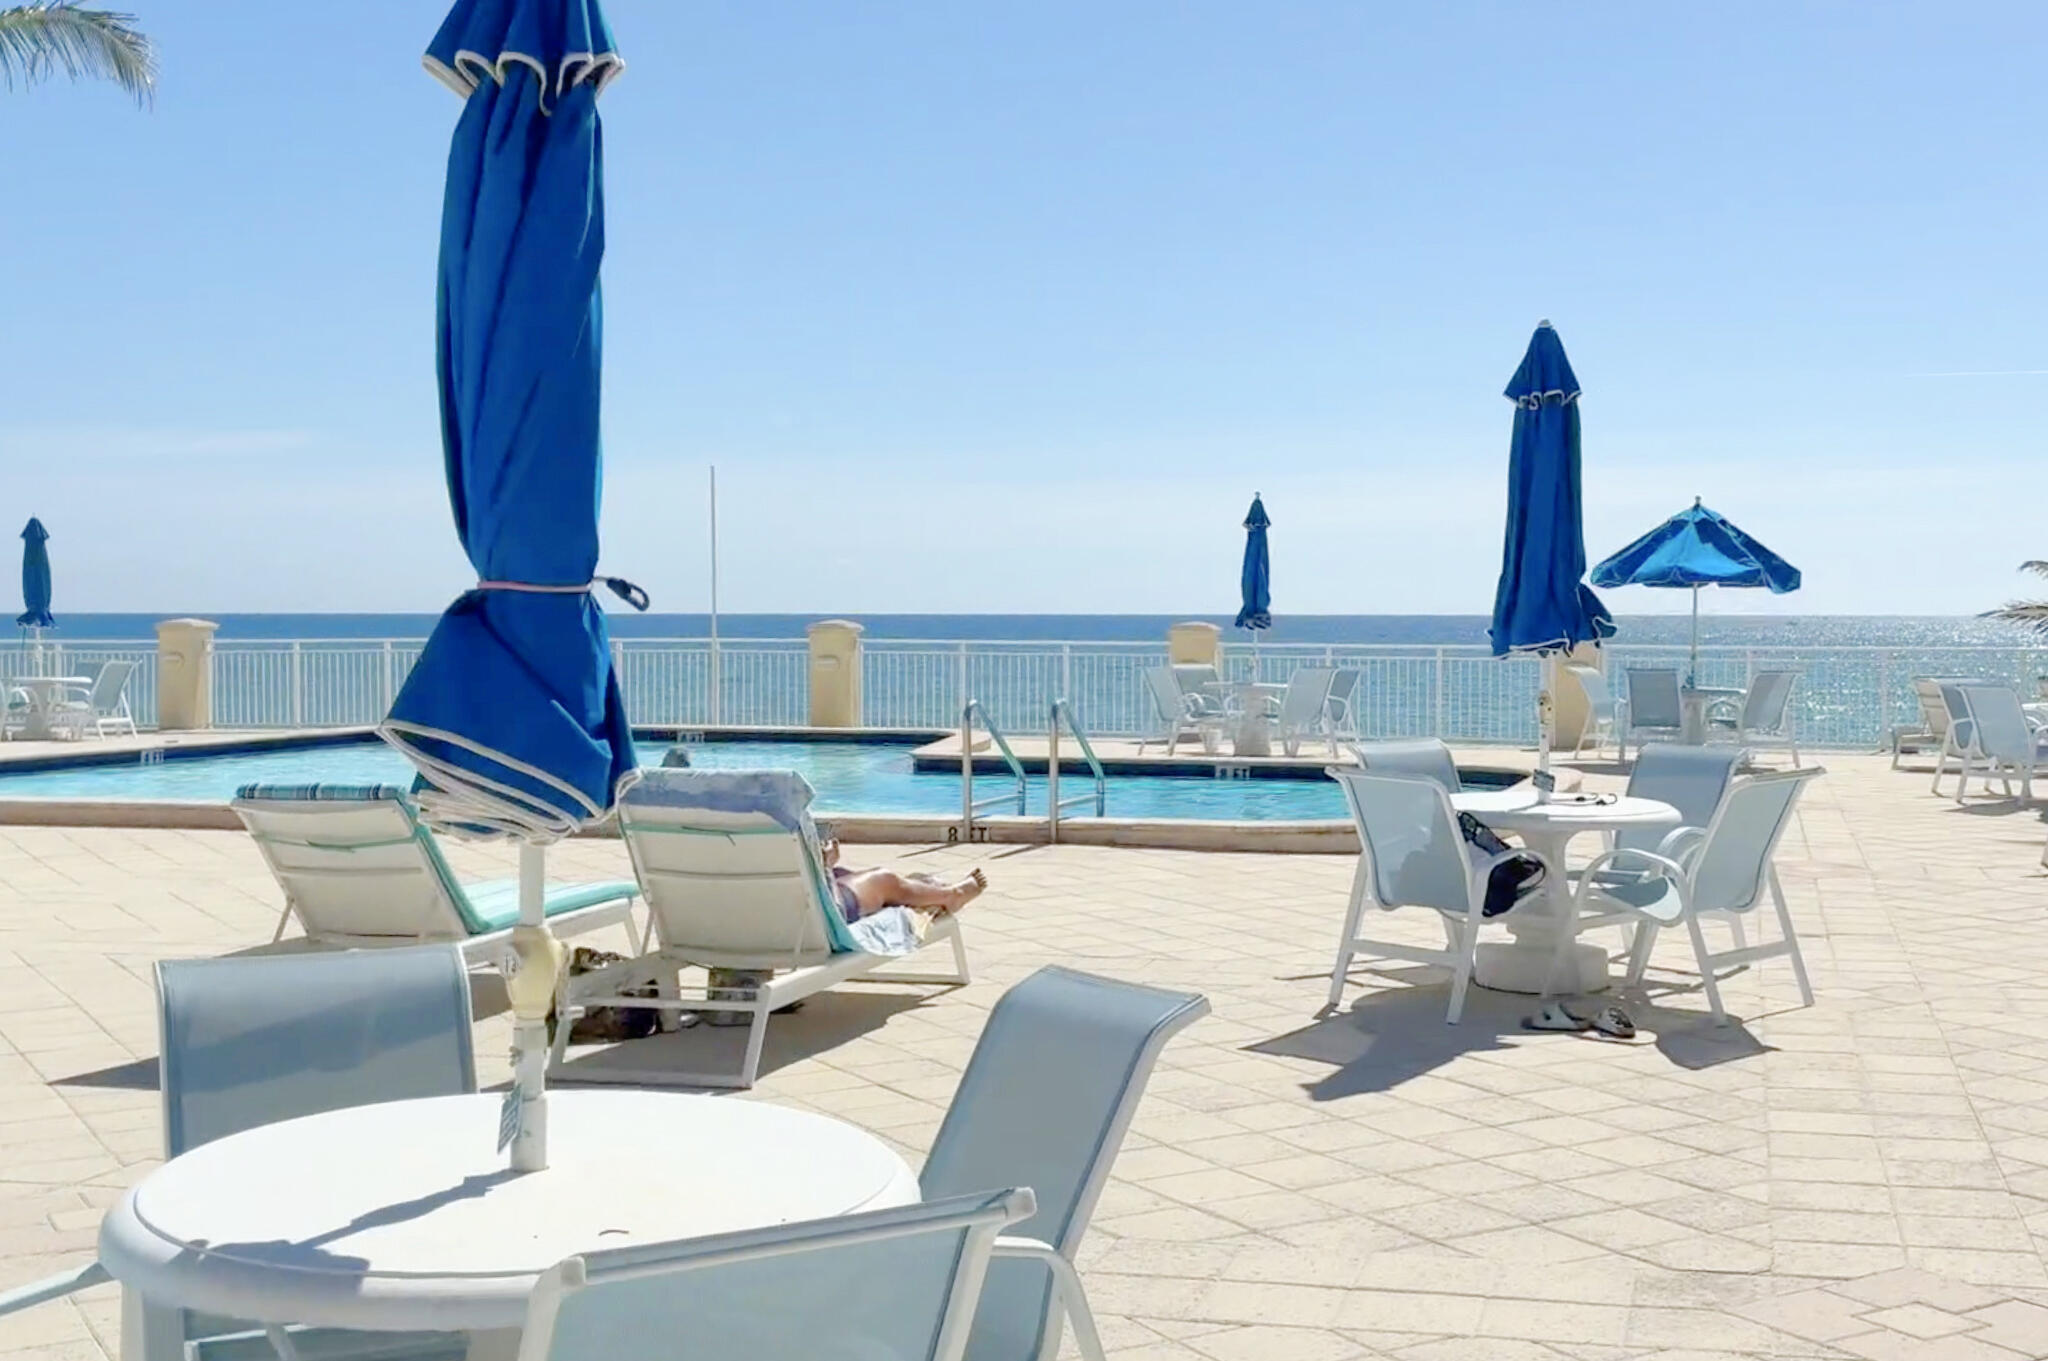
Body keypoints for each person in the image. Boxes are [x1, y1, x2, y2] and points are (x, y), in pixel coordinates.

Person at [818, 833, 985, 923]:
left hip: (812, 910)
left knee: (846, 874)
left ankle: (914, 888)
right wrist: (826, 865)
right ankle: (950, 895)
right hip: (827, 912)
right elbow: (830, 906)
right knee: (883, 879)